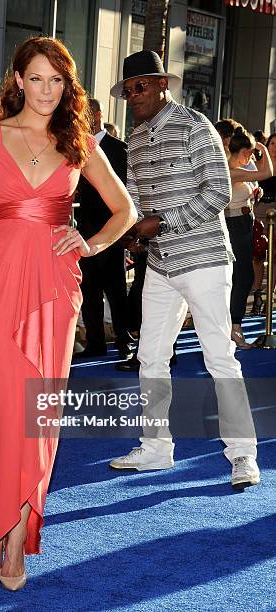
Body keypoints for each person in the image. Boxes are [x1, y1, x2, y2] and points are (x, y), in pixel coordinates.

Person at [0, 36, 136, 590]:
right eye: (37, 78)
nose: (47, 90)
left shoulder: (77, 142)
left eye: (57, 80)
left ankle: (13, 541)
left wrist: (91, 243)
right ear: (17, 81)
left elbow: (126, 209)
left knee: (41, 417)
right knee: (7, 413)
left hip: (56, 289)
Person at [108, 50, 260, 490]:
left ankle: (243, 454)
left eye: (141, 87)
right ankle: (156, 447)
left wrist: (163, 223)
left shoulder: (195, 126)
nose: (133, 95)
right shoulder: (134, 141)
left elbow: (216, 192)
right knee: (150, 356)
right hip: (159, 265)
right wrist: (136, 231)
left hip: (205, 261)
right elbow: (137, 202)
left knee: (219, 357)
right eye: (128, 89)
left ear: (162, 85)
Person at [75, 98, 133, 358]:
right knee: (89, 290)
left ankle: (124, 340)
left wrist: (125, 233)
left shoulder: (119, 149)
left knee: (116, 290)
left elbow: (126, 194)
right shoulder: (73, 147)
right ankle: (95, 342)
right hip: (84, 230)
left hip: (113, 231)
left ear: (96, 115)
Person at [225, 126, 272, 347]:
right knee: (241, 277)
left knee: (242, 277)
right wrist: (262, 145)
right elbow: (268, 173)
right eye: (250, 152)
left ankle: (233, 326)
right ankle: (234, 327)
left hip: (245, 221)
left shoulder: (243, 167)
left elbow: (256, 183)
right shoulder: (231, 169)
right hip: (233, 225)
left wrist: (255, 194)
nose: (252, 156)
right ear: (241, 150)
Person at [254, 132, 276, 312]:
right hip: (260, 213)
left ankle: (270, 298)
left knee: (274, 258)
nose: (275, 147)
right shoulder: (259, 165)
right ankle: (257, 297)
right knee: (258, 257)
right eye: (272, 143)